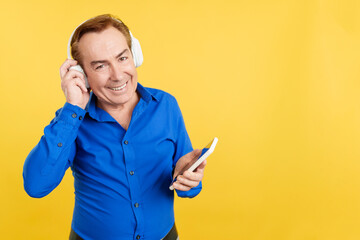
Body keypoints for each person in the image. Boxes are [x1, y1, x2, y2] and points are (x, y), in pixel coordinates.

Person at [23, 14, 206, 240]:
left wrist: (189, 180)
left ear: (134, 56)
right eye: (100, 66)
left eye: (122, 58)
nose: (118, 75)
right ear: (82, 75)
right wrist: (73, 109)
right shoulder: (70, 122)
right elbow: (36, 186)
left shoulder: (166, 106)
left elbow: (187, 186)